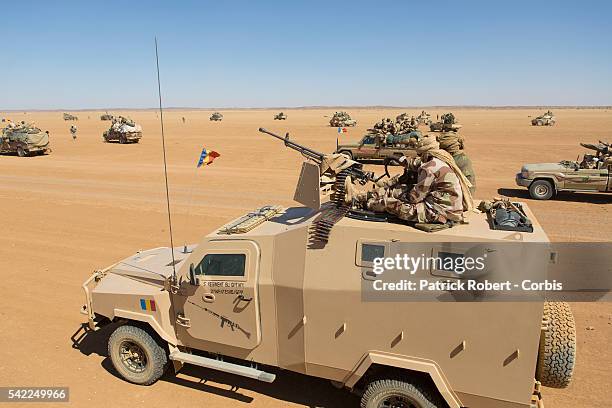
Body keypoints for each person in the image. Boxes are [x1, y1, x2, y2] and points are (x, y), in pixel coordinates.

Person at [346, 135, 474, 224]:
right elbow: (415, 163)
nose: (419, 156)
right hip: (444, 206)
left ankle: (363, 203)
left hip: (437, 212)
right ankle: (358, 195)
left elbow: (414, 198)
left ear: (424, 153)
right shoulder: (440, 158)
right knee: (395, 190)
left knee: (391, 203)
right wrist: (397, 158)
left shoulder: (430, 168)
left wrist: (393, 194)